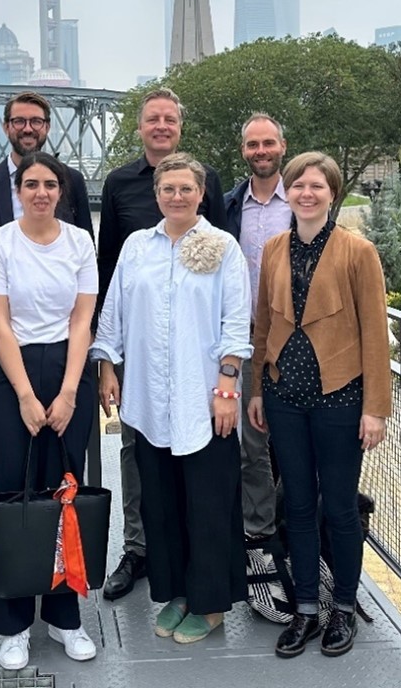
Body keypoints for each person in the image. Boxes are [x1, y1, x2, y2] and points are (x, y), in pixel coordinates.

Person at [92, 152, 252, 644]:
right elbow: (113, 309)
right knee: (160, 502)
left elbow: (236, 321)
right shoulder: (138, 246)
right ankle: (178, 591)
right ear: (156, 194)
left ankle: (210, 604)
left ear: (201, 193)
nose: (177, 197)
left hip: (202, 399)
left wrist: (227, 388)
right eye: (168, 189)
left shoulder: (222, 246)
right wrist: (106, 366)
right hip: (148, 394)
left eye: (186, 189)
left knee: (207, 502)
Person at [247, 152, 391, 660]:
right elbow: (263, 323)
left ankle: (344, 607)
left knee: (341, 510)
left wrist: (376, 408)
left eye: (317, 186)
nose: (307, 194)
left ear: (332, 193)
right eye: (299, 186)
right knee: (300, 507)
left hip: (341, 398)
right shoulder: (273, 249)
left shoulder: (358, 252)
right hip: (286, 397)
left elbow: (376, 333)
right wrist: (259, 389)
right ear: (288, 192)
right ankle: (306, 607)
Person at [95, 87, 227, 601]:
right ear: (140, 127)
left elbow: (219, 257)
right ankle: (139, 548)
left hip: (196, 351)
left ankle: (192, 551)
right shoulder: (118, 183)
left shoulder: (206, 179)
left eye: (170, 119)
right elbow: (110, 270)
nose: (161, 126)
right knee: (136, 448)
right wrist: (108, 356)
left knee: (196, 446)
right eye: (153, 119)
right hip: (140, 347)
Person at [0, 151, 100, 671]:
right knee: (12, 491)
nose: (41, 192)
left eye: (51, 184)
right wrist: (26, 395)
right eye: (32, 184)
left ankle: (65, 616)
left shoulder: (79, 242)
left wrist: (70, 391)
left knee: (63, 490)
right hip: (11, 375)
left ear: (62, 192)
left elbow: (82, 320)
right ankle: (13, 624)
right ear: (18, 190)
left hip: (67, 368)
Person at [0, 90, 94, 372]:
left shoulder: (72, 180)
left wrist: (89, 329)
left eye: (36, 121)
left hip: (65, 337)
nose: (27, 129)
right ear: (6, 126)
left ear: (47, 127)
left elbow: (88, 260)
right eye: (19, 121)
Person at [222, 113, 291, 544]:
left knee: (295, 439)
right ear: (244, 151)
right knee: (253, 442)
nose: (260, 151)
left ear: (282, 146)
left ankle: (293, 525)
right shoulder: (229, 205)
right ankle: (260, 530)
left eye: (268, 143)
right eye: (252, 145)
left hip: (294, 340)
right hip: (246, 339)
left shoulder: (301, 199)